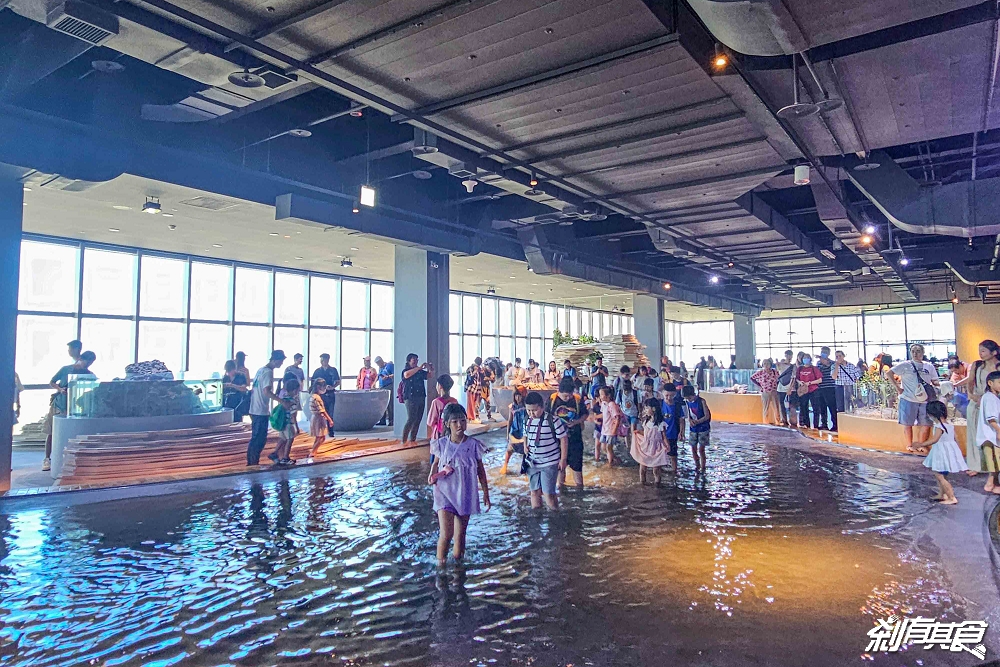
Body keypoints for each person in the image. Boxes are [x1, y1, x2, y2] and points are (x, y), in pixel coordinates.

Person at [428, 403, 491, 566]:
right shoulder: (441, 444)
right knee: (446, 533)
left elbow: (480, 470)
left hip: (465, 492)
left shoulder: (473, 445)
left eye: (462, 420)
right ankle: (440, 566)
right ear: (447, 424)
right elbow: (436, 463)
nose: (459, 425)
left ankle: (458, 565)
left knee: (460, 534)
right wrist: (432, 475)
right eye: (455, 421)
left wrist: (485, 492)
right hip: (445, 492)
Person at [42, 349, 95, 471]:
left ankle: (67, 460)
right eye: (86, 363)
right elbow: (52, 381)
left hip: (76, 407)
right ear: (81, 359)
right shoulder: (66, 369)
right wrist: (60, 390)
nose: (87, 366)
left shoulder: (89, 374)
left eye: (90, 364)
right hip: (59, 404)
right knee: (52, 432)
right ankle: (47, 459)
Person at [911, 400, 967, 505]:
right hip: (948, 452)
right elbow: (956, 439)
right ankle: (942, 494)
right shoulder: (949, 425)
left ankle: (952, 497)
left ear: (932, 414)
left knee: (939, 475)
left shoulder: (939, 426)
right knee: (943, 474)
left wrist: (920, 444)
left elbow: (935, 440)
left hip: (941, 453)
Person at [959, 340, 1000, 476]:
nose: (980, 354)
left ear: (993, 352)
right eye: (980, 351)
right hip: (976, 402)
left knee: (993, 435)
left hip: (993, 403)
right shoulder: (977, 365)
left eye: (983, 351)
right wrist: (972, 395)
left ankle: (994, 466)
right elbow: (970, 382)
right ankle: (976, 465)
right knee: (974, 434)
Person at [890, 344, 940, 453]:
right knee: (908, 423)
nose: (915, 354)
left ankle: (921, 444)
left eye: (918, 351)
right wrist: (898, 388)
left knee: (926, 423)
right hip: (908, 398)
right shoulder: (905, 365)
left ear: (923, 352)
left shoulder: (929, 366)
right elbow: (889, 373)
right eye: (913, 351)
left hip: (925, 399)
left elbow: (935, 381)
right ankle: (909, 444)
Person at [523, 391, 568, 509]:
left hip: (550, 462)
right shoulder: (527, 420)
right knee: (534, 492)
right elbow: (525, 434)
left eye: (534, 410)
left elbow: (563, 438)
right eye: (528, 410)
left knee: (549, 494)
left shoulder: (553, 420)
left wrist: (563, 459)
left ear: (542, 407)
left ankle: (555, 519)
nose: (531, 413)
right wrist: (525, 445)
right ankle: (536, 519)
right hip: (532, 463)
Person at [247, 350, 288, 466]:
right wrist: (281, 401)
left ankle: (252, 462)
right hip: (260, 411)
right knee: (259, 439)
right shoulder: (268, 372)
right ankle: (253, 463)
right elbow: (266, 391)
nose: (281, 364)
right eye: (281, 361)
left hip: (254, 409)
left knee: (255, 438)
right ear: (275, 360)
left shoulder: (260, 370)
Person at [549, 377, 588, 489]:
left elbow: (585, 414)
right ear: (558, 392)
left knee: (577, 467)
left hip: (575, 439)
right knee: (561, 467)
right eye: (564, 396)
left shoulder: (577, 399)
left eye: (569, 395)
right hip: (557, 441)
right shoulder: (552, 400)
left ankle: (579, 491)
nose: (567, 398)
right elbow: (547, 417)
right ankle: (561, 490)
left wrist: (577, 421)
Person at [631, 398, 671, 485]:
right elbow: (646, 433)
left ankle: (657, 485)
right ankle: (643, 484)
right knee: (642, 469)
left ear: (653, 409)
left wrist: (667, 445)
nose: (645, 410)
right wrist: (638, 432)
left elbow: (664, 436)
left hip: (656, 448)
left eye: (646, 408)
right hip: (646, 446)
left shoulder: (661, 423)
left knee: (656, 470)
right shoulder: (646, 421)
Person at [976, 370, 1000, 494]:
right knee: (994, 461)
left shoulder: (991, 397)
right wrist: (998, 431)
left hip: (989, 436)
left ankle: (994, 484)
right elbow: (991, 419)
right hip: (990, 436)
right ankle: (991, 483)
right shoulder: (990, 398)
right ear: (990, 383)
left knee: (994, 461)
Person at [401, 353, 433, 443]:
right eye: (414, 360)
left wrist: (430, 368)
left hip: (421, 396)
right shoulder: (406, 370)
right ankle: (403, 440)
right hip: (410, 397)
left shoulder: (419, 372)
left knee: (418, 419)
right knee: (411, 418)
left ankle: (412, 439)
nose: (416, 361)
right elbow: (406, 375)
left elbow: (429, 376)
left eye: (417, 360)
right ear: (408, 361)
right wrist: (419, 368)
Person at [270, 378, 300, 466]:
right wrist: (296, 427)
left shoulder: (283, 399)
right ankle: (285, 458)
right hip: (289, 424)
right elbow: (294, 416)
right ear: (295, 391)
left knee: (282, 439)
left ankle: (275, 453)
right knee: (290, 440)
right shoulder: (293, 402)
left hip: (282, 424)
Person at [311, 353, 341, 437]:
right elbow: (313, 382)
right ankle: (321, 431)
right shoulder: (317, 371)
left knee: (330, 413)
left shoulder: (333, 370)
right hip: (321, 395)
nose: (321, 362)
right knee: (321, 413)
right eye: (320, 360)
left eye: (323, 360)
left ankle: (331, 432)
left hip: (330, 394)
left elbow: (338, 381)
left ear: (327, 360)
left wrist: (332, 387)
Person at [682, 385, 711, 473]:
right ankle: (697, 465)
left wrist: (697, 422)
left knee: (701, 449)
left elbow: (707, 416)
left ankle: (703, 467)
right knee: (693, 448)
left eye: (689, 398)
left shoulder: (701, 401)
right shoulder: (687, 402)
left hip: (703, 428)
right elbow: (689, 415)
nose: (689, 400)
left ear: (694, 394)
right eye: (686, 398)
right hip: (693, 428)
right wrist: (690, 421)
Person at [500, 388, 527, 475]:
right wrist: (507, 434)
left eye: (519, 395)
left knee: (525, 450)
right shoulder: (512, 407)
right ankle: (505, 465)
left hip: (524, 431)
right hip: (515, 430)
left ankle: (524, 468)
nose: (518, 398)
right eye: (516, 395)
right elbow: (510, 420)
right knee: (510, 448)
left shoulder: (527, 406)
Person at [596, 385, 624, 466]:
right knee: (603, 447)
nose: (600, 396)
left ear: (608, 396)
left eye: (601, 394)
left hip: (610, 430)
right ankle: (615, 459)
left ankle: (610, 463)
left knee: (609, 447)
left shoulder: (612, 404)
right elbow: (603, 414)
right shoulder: (604, 403)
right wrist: (594, 417)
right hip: (605, 430)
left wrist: (614, 430)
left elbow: (617, 417)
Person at [307, 378, 334, 459]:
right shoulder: (316, 398)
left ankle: (314, 450)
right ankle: (313, 452)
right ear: (319, 387)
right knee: (321, 437)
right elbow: (322, 410)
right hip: (318, 418)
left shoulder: (314, 396)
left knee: (319, 437)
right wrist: (330, 419)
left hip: (316, 417)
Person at [427, 374, 458, 441]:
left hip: (439, 433)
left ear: (440, 386)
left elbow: (430, 422)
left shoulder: (436, 402)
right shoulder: (454, 401)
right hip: (452, 432)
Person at [795, 354, 823, 429]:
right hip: (803, 390)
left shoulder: (814, 368)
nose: (806, 359)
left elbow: (820, 380)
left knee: (816, 408)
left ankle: (816, 425)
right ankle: (806, 424)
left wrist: (810, 383)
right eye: (804, 358)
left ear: (810, 359)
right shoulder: (800, 369)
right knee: (804, 407)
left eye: (807, 358)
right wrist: (800, 382)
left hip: (813, 390)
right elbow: (797, 378)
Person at [815, 347, 838, 431]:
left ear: (828, 353)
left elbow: (827, 366)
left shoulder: (832, 363)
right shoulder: (818, 363)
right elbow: (818, 372)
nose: (823, 353)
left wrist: (822, 360)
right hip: (821, 387)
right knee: (822, 407)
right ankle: (824, 424)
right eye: (822, 352)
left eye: (825, 352)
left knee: (832, 406)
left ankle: (835, 424)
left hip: (830, 387)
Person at [751, 359, 780, 425]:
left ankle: (778, 421)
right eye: (764, 364)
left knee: (776, 407)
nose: (766, 365)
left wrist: (776, 385)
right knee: (765, 408)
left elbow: (779, 378)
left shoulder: (774, 372)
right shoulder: (760, 372)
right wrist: (760, 385)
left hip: (773, 391)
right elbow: (752, 378)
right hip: (765, 391)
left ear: (770, 364)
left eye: (767, 363)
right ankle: (766, 422)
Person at [660, 384, 683, 471]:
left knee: (673, 455)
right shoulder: (659, 404)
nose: (669, 398)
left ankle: (674, 471)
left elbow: (681, 420)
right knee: (660, 454)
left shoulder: (677, 406)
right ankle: (660, 471)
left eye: (671, 395)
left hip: (673, 434)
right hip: (660, 435)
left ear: (675, 394)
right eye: (666, 395)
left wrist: (681, 432)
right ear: (662, 393)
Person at [832, 349, 861, 414]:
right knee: (840, 405)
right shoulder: (834, 366)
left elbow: (857, 377)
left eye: (840, 356)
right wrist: (837, 366)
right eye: (837, 356)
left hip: (850, 386)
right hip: (839, 387)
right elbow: (834, 377)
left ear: (843, 356)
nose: (838, 358)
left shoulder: (851, 366)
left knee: (852, 403)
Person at [775, 350, 794, 426]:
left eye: (790, 355)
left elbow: (793, 378)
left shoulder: (793, 366)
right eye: (787, 355)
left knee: (791, 405)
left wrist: (790, 388)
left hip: (790, 388)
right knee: (781, 404)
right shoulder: (781, 365)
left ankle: (792, 420)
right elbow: (778, 369)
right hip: (781, 387)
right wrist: (778, 363)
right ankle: (784, 420)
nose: (789, 357)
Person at [375, 356, 395, 426]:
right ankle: (382, 420)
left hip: (389, 385)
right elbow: (379, 376)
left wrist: (388, 377)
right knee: (382, 404)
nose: (378, 365)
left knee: (390, 404)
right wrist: (374, 383)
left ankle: (391, 420)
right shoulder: (380, 368)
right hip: (382, 387)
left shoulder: (389, 366)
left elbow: (395, 374)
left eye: (379, 363)